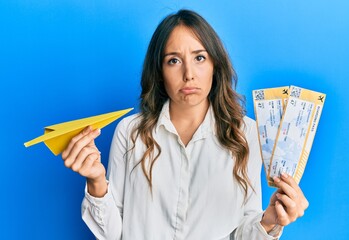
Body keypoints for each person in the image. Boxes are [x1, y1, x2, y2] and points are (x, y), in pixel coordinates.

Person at [61, 9, 308, 240]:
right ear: (159, 71)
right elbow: (112, 234)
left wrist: (269, 221)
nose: (189, 73)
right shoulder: (130, 132)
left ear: (215, 65)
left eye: (199, 57)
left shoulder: (246, 134)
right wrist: (96, 182)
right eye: (173, 61)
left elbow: (243, 231)